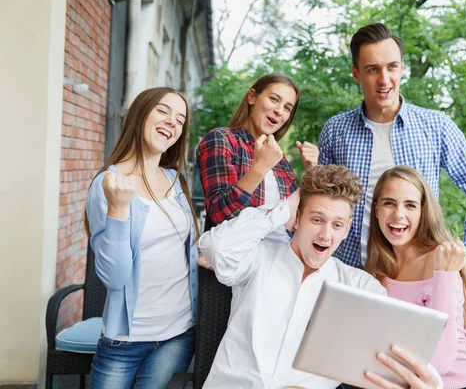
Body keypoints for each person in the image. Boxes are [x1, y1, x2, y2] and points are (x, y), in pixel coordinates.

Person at [318, 22, 466, 275]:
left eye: (392, 67)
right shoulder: (336, 131)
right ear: (356, 74)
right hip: (348, 272)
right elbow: (323, 203)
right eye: (372, 69)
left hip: (419, 277)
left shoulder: (436, 126)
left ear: (402, 68)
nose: (384, 79)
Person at [199, 165, 389, 388]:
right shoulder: (258, 259)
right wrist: (282, 210)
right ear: (297, 218)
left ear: (346, 230)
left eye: (337, 225)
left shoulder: (361, 287)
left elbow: (389, 353)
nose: (326, 235)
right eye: (317, 220)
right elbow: (215, 247)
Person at [84, 87, 199, 388]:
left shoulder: (176, 181)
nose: (172, 121)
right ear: (140, 114)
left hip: (178, 333)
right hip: (126, 340)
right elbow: (115, 276)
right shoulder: (108, 184)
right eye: (163, 110)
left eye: (180, 118)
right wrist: (120, 207)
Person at [365, 166, 466, 389]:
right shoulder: (378, 269)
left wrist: (445, 275)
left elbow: (439, 362)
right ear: (376, 208)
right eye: (389, 203)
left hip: (463, 384)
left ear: (423, 212)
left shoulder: (441, 262)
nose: (398, 214)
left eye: (410, 205)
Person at [196, 72, 318, 246]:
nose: (279, 111)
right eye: (274, 99)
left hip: (277, 263)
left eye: (287, 108)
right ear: (252, 97)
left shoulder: (281, 162)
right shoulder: (222, 140)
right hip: (234, 264)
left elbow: (297, 221)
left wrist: (311, 172)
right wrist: (261, 166)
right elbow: (219, 215)